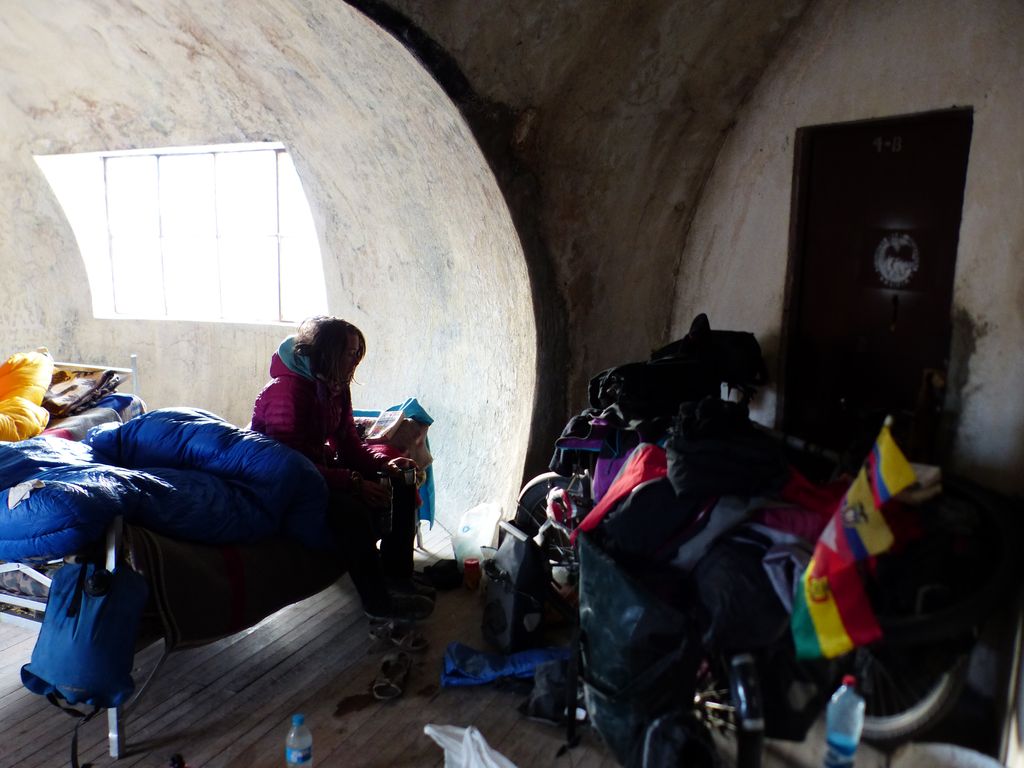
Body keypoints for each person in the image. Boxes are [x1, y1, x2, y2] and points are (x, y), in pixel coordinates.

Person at [251, 316, 434, 622]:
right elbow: (293, 464)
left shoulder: (335, 386)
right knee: (351, 512)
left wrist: (384, 464)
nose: (355, 361)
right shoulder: (288, 391)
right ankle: (378, 603)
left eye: (356, 353)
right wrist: (352, 482)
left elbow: (348, 444)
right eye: (350, 353)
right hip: (282, 480)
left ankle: (397, 576)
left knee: (401, 480)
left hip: (313, 471)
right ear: (328, 352)